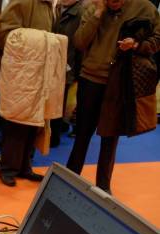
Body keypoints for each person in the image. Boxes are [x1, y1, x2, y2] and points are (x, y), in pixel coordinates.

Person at [66, 0, 160, 193]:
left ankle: (103, 188)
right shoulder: (93, 8)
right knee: (82, 134)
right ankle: (68, 181)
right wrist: (98, 14)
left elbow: (157, 39)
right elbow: (80, 42)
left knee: (111, 137)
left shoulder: (145, 8)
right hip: (91, 78)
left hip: (119, 81)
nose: (114, 3)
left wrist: (137, 45)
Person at [0, 0, 58, 187]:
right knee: (15, 121)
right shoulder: (23, 2)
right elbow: (3, 35)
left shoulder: (49, 6)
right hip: (17, 75)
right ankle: (8, 167)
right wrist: (36, 44)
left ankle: (24, 166)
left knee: (33, 122)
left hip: (35, 76)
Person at [50, 0, 83, 147]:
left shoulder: (80, 13)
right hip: (54, 64)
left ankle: (53, 137)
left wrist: (76, 72)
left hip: (67, 66)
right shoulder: (57, 8)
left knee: (58, 104)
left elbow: (79, 47)